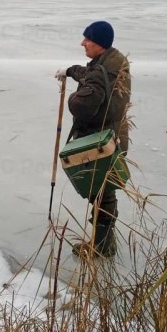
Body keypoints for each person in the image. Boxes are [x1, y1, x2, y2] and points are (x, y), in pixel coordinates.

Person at [55, 20, 130, 257]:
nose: (82, 43)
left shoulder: (100, 73)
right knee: (106, 189)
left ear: (98, 44)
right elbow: (90, 74)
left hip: (100, 143)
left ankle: (101, 247)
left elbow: (83, 106)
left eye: (87, 39)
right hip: (115, 136)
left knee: (100, 191)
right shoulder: (114, 61)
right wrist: (70, 70)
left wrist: (72, 98)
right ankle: (105, 242)